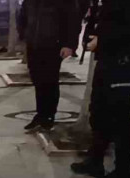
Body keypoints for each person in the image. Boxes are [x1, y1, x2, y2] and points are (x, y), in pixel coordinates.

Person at [70, 0, 130, 178]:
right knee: (99, 111)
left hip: (123, 62)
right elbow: (107, 16)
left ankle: (124, 173)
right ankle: (95, 160)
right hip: (107, 58)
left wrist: (101, 39)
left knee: (119, 118)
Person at [18, 0, 81, 132]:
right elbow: (23, 16)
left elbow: (72, 22)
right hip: (34, 45)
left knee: (49, 80)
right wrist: (24, 35)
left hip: (52, 45)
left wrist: (69, 45)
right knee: (37, 80)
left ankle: (48, 116)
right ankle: (40, 114)